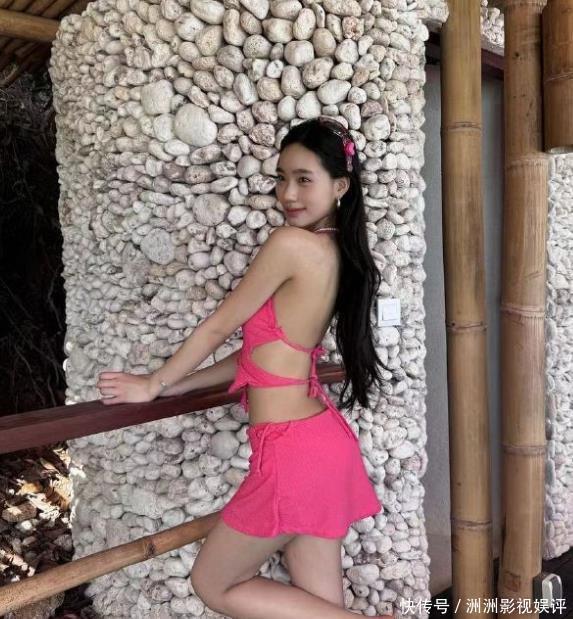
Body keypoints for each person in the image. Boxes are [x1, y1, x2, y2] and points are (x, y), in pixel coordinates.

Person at [97, 116, 392, 619]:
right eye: (281, 178)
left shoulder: (291, 244)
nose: (288, 193)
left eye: (304, 179)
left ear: (340, 186)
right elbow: (258, 355)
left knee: (213, 583)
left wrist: (152, 383)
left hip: (293, 455)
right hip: (319, 446)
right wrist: (178, 388)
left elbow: (220, 325)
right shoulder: (337, 253)